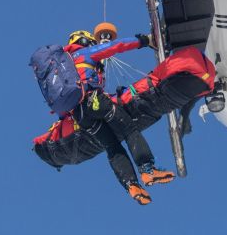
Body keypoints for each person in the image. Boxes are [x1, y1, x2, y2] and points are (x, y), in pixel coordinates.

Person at [64, 30, 174, 205]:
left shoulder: (66, 66)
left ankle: (132, 185)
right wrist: (144, 40)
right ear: (85, 41)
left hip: (80, 115)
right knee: (129, 129)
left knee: (111, 146)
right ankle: (148, 170)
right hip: (95, 101)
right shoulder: (83, 53)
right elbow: (116, 46)